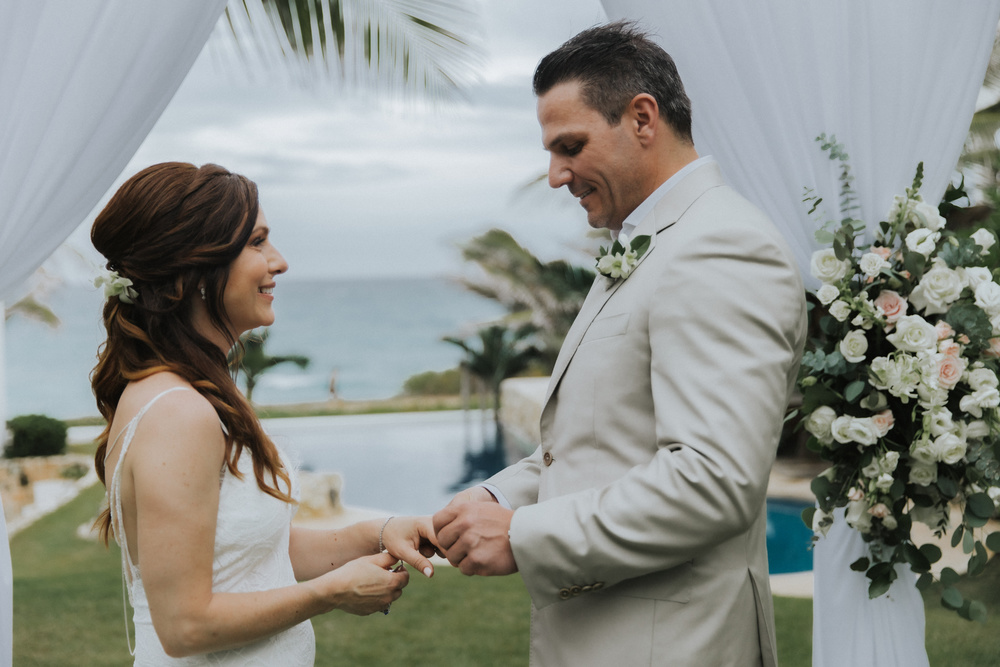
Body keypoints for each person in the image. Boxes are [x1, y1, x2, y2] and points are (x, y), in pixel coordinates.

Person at [432, 22, 807, 667]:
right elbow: (599, 440)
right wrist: (493, 499)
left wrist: (523, 535)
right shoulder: (656, 245)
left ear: (641, 118)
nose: (555, 175)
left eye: (570, 146)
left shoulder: (719, 247)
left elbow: (713, 482)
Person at [90, 162, 438, 665]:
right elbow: (185, 626)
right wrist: (330, 593)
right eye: (257, 242)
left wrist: (375, 533)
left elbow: (243, 554)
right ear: (198, 269)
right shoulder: (178, 414)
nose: (279, 262)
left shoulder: (193, 392)